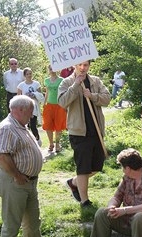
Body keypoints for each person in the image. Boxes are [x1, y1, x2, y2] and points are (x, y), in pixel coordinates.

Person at [0, 95, 44, 237]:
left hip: (28, 182)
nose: (32, 115)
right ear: (20, 110)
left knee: (32, 221)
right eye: (31, 111)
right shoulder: (6, 128)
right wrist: (16, 175)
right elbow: (2, 156)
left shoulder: (20, 126)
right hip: (14, 182)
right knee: (12, 224)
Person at [58, 60, 111, 207]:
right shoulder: (66, 82)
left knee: (96, 166)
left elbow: (107, 99)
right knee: (83, 167)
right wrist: (75, 85)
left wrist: (92, 96)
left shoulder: (95, 81)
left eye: (86, 65)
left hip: (96, 129)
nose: (82, 68)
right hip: (79, 132)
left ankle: (73, 182)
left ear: (89, 66)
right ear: (74, 65)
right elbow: (62, 102)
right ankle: (85, 201)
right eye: (79, 65)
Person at [17, 67, 44, 146]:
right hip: (25, 107)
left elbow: (40, 95)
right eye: (27, 74)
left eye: (30, 74)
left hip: (34, 107)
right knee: (25, 125)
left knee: (33, 125)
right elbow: (18, 97)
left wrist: (34, 94)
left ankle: (38, 140)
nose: (29, 75)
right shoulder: (21, 85)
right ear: (24, 75)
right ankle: (27, 141)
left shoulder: (36, 84)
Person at [43, 65, 66, 153]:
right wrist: (44, 103)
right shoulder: (46, 80)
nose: (52, 70)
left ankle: (57, 144)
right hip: (49, 105)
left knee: (58, 125)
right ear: (48, 70)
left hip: (59, 105)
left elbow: (64, 92)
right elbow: (47, 92)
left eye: (54, 68)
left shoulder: (61, 80)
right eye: (50, 69)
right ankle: (51, 144)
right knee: (48, 125)